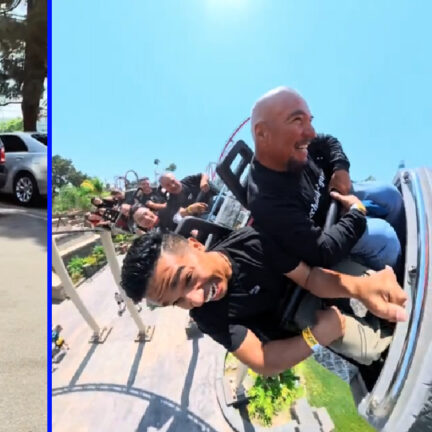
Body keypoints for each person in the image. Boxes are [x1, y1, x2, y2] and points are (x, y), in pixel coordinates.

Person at [120, 228, 407, 377]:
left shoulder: (252, 243)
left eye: (186, 280)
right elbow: (263, 361)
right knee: (374, 351)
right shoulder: (208, 316)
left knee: (389, 295)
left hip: (315, 277)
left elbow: (309, 276)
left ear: (196, 246)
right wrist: (315, 336)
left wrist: (362, 288)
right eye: (177, 301)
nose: (195, 299)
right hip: (301, 317)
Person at [247, 87, 403, 271]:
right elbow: (321, 250)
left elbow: (328, 141)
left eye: (309, 120)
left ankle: (407, 241)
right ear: (263, 133)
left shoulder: (295, 144)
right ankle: (398, 276)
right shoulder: (267, 201)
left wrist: (340, 168)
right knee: (385, 239)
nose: (311, 133)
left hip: (338, 196)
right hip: (329, 229)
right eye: (297, 120)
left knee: (390, 194)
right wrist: (355, 213)